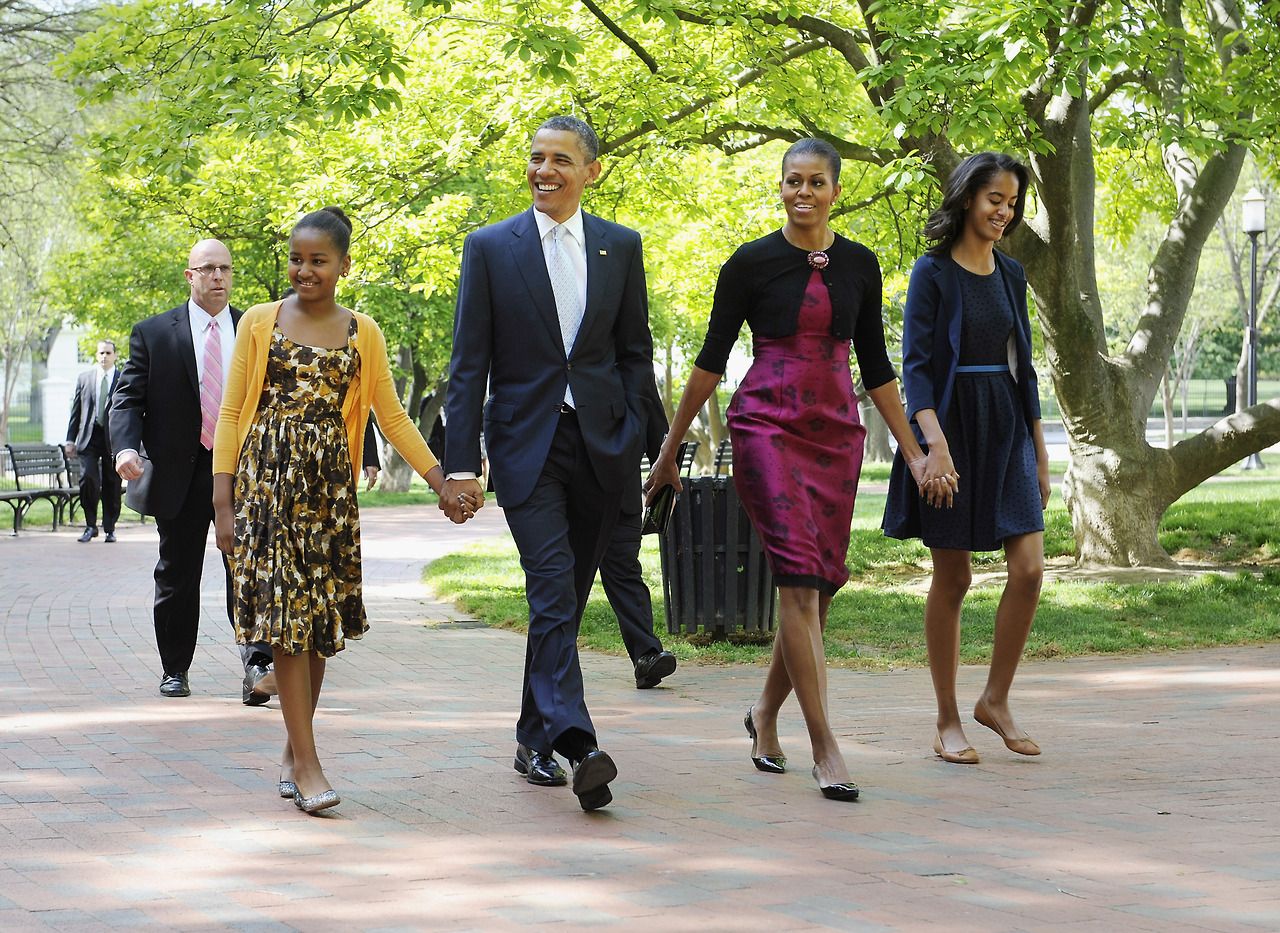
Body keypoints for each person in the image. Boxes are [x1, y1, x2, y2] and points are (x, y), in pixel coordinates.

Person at [646, 138, 936, 802]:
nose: (801, 192)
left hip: (836, 433)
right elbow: (710, 363)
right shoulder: (749, 263)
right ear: (780, 188)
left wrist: (915, 453)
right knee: (798, 585)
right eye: (791, 182)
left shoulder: (861, 264)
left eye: (814, 183)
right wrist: (668, 452)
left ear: (835, 190)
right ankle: (826, 747)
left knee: (821, 591)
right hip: (766, 426)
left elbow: (878, 368)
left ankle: (765, 713)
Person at [442, 115, 666, 811]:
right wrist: (458, 465)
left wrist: (645, 437)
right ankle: (577, 741)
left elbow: (634, 350)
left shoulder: (619, 247)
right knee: (551, 589)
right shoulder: (489, 247)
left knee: (564, 598)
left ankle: (530, 734)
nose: (544, 170)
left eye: (560, 160)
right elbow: (468, 363)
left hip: (604, 445)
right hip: (525, 447)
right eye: (536, 158)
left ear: (591, 170)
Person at [212, 206, 463, 815]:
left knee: (317, 632)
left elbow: (391, 415)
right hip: (266, 491)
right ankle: (310, 763)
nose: (304, 270)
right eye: (296, 259)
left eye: (318, 261)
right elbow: (229, 412)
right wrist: (222, 502)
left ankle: (294, 754)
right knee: (286, 631)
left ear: (344, 265)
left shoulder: (363, 332)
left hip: (327, 497)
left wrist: (439, 480)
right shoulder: (258, 322)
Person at [882, 152, 1050, 765]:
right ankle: (948, 719)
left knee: (1029, 568)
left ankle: (995, 699)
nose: (1003, 212)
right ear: (967, 199)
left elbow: (1024, 367)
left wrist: (1039, 450)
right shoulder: (932, 273)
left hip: (1004, 427)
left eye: (1011, 202)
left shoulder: (1011, 274)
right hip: (947, 429)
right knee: (953, 576)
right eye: (994, 200)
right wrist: (934, 444)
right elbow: (917, 368)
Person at [111, 240, 277, 705]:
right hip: (178, 476)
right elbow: (127, 399)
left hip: (242, 474)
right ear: (190, 275)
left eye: (225, 268)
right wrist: (125, 448)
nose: (219, 277)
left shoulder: (255, 327)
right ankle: (175, 669)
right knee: (178, 574)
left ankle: (257, 667)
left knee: (247, 571)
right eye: (208, 269)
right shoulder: (153, 333)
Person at [66, 340, 123, 543]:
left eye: (108, 353)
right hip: (88, 438)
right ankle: (90, 526)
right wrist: (69, 439)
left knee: (112, 483)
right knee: (88, 479)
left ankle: (110, 528)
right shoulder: (85, 378)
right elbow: (76, 411)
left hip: (113, 439)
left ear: (115, 355)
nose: (104, 356)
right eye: (101, 353)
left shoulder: (122, 378)